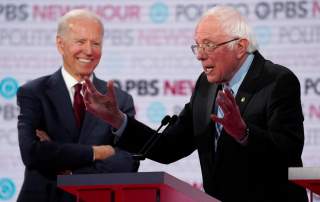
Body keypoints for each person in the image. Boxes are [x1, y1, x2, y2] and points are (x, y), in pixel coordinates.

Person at [82, 6, 308, 202]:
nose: (199, 55)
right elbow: (169, 147)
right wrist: (117, 120)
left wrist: (244, 133)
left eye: (208, 45)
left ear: (240, 47)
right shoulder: (206, 85)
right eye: (197, 46)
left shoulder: (277, 81)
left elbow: (288, 151)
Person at [16, 9, 138, 202]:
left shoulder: (120, 101)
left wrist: (65, 165)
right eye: (80, 42)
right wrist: (96, 152)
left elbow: (127, 163)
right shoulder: (34, 93)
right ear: (60, 44)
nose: (89, 51)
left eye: (96, 43)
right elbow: (32, 153)